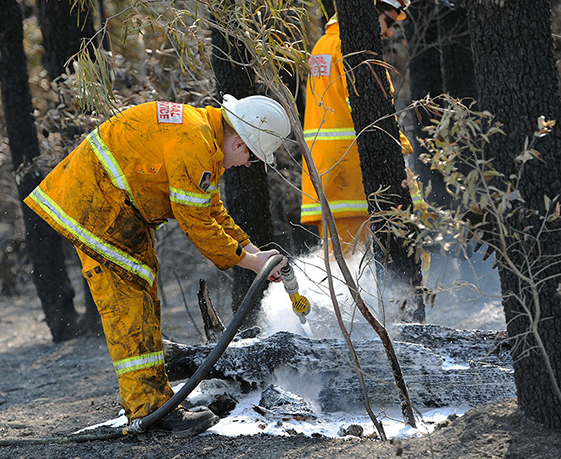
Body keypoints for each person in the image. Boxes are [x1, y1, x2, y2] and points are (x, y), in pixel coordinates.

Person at [24, 94, 291, 436]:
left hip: (113, 206)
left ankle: (155, 404)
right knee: (129, 306)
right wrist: (250, 262)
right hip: (100, 206)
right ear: (240, 141)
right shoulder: (194, 140)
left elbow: (212, 210)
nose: (248, 164)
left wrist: (254, 251)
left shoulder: (203, 137)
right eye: (251, 156)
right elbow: (196, 221)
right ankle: (150, 412)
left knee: (142, 299)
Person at [301, 0, 419, 256]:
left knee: (340, 264)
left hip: (327, 172)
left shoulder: (324, 44)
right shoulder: (353, 47)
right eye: (388, 21)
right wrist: (401, 145)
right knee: (371, 263)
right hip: (354, 172)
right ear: (370, 8)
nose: (388, 32)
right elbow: (376, 108)